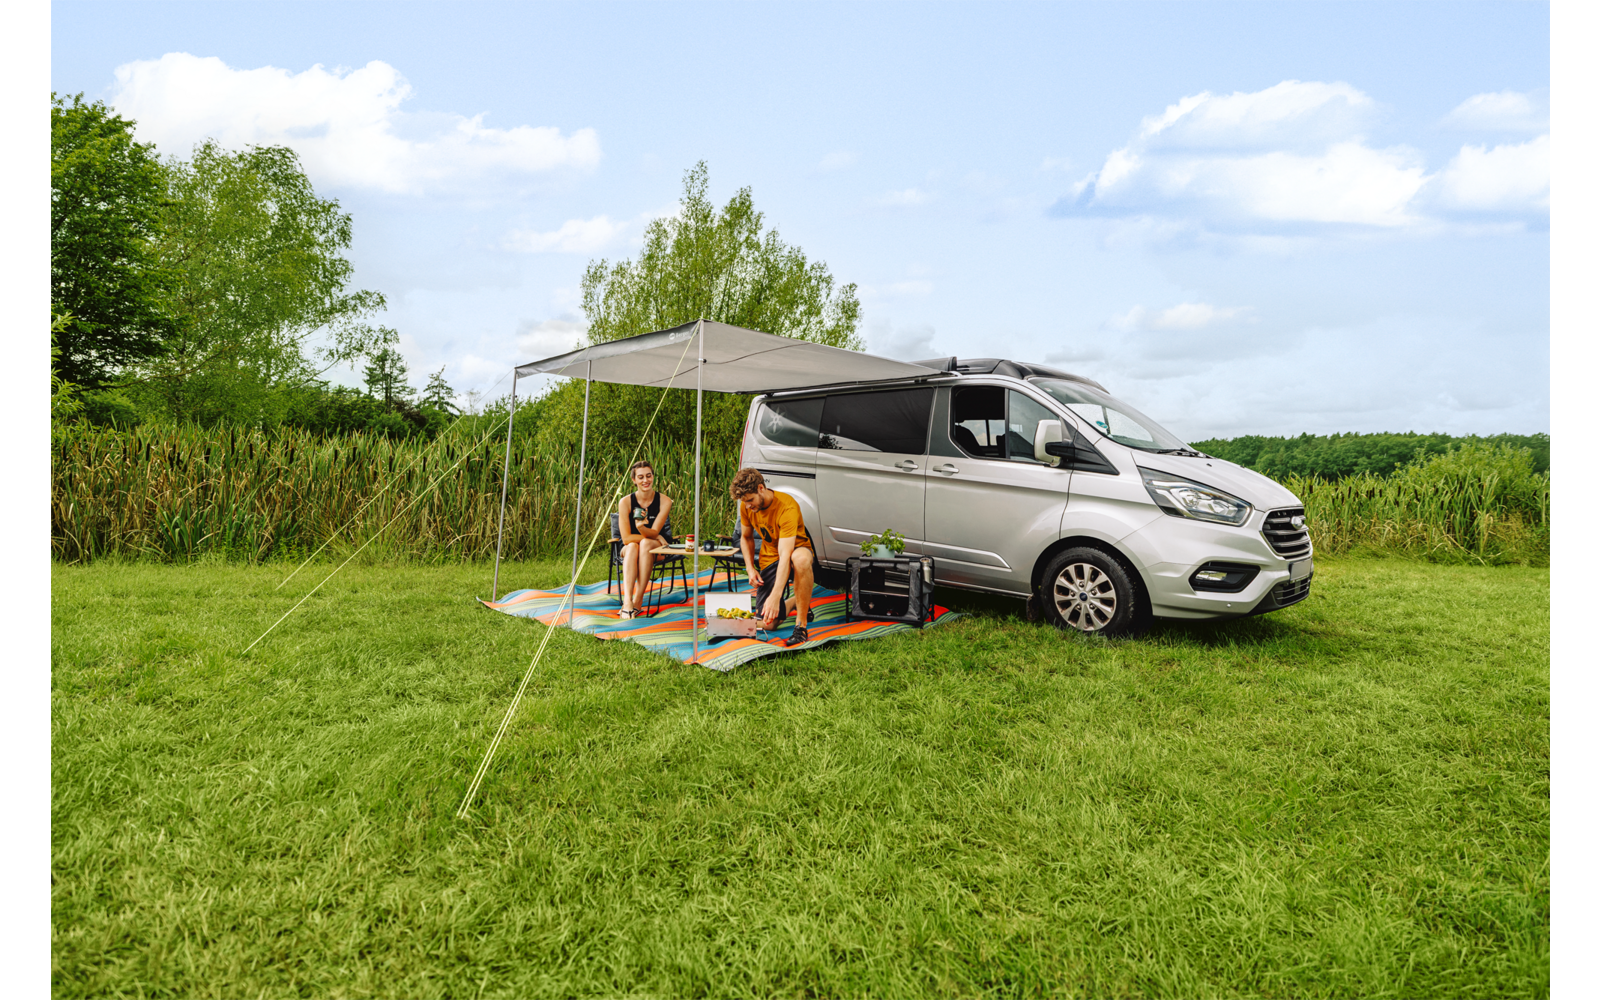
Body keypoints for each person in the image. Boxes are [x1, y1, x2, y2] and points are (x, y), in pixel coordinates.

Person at [730, 467, 815, 647]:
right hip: (770, 557)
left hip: (796, 549)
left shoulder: (787, 507)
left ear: (761, 488)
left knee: (800, 559)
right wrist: (750, 568)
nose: (747, 506)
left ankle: (801, 626)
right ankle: (797, 603)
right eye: (744, 502)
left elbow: (786, 555)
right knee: (768, 624)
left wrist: (776, 596)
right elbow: (745, 537)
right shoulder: (747, 506)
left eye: (750, 500)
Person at [617, 460, 673, 618]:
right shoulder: (625, 502)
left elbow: (654, 532)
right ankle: (627, 601)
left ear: (653, 477)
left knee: (646, 543)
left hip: (656, 547)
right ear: (634, 480)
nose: (645, 480)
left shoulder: (665, 501)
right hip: (631, 547)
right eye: (640, 477)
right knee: (635, 546)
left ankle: (638, 600)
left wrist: (646, 530)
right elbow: (627, 538)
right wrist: (655, 534)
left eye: (648, 476)